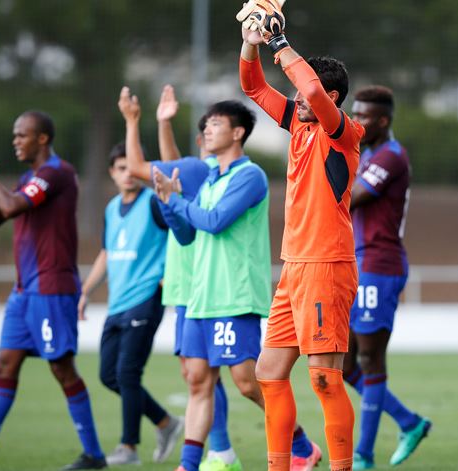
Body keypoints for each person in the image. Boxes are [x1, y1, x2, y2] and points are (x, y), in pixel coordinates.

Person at [121, 89, 320, 471]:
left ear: (239, 132)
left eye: (215, 124)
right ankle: (189, 464)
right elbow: (187, 235)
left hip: (235, 295)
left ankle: (301, 444)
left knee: (247, 383)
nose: (206, 131)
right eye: (205, 125)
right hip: (201, 297)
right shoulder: (211, 179)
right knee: (198, 380)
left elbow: (214, 222)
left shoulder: (250, 176)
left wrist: (177, 201)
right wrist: (169, 203)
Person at [0, 111, 106, 470]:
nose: (15, 141)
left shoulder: (57, 173)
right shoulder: (31, 177)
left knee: (62, 368)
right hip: (24, 291)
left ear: (42, 139)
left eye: (21, 135)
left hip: (51, 287)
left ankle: (93, 455)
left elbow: (11, 205)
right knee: (5, 363)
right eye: (14, 135)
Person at [239, 6, 366, 470]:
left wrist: (280, 42)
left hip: (327, 266)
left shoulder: (343, 133)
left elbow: (309, 85)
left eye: (309, 91)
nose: (297, 95)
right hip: (294, 267)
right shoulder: (299, 123)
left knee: (325, 380)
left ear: (332, 97)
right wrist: (252, 40)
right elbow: (252, 86)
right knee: (268, 373)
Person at [78, 143, 183, 465]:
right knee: (109, 375)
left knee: (127, 372)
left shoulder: (154, 202)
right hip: (117, 303)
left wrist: (168, 276)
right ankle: (166, 423)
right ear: (112, 173)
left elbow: (180, 235)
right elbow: (107, 254)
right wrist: (84, 292)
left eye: (132, 167)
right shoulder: (111, 209)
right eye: (121, 168)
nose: (127, 174)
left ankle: (128, 448)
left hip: (146, 298)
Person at [343, 85, 430, 470]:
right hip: (354, 263)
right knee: (344, 365)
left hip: (380, 265)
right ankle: (409, 422)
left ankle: (362, 455)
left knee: (369, 357)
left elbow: (351, 197)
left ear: (382, 120)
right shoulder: (366, 152)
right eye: (354, 112)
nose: (356, 119)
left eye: (363, 115)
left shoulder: (392, 156)